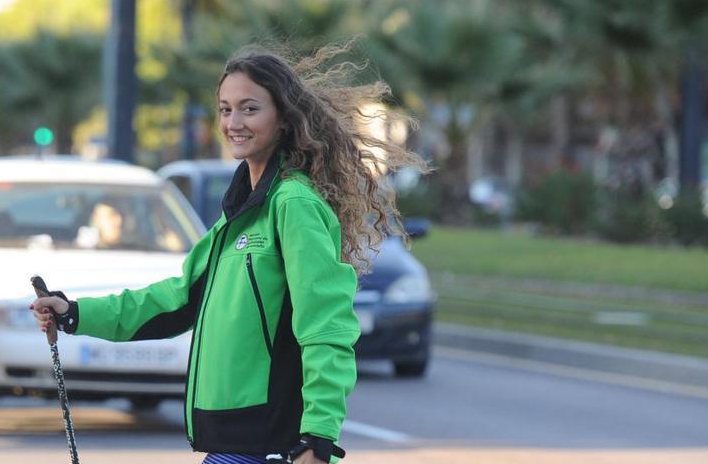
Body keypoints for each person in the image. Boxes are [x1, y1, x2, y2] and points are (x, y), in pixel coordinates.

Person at [31, 42, 428, 463]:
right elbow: (175, 302)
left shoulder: (293, 204)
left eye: (249, 108)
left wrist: (318, 438)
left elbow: (326, 329)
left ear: (284, 118)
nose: (233, 122)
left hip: (269, 446)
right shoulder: (238, 216)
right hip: (231, 442)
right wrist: (73, 312)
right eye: (225, 109)